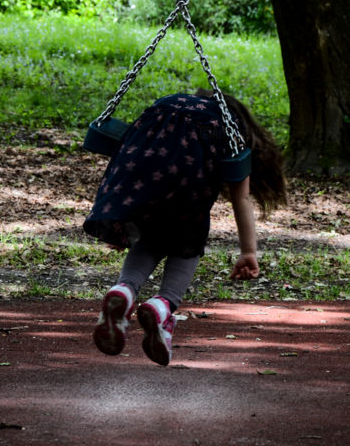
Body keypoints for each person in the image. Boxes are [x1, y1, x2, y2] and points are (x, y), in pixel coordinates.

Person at [83, 89, 286, 366]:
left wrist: (121, 220)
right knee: (187, 241)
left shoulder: (165, 107)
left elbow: (128, 161)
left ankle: (125, 290)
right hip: (189, 192)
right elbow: (241, 198)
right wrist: (248, 251)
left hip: (139, 184)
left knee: (149, 235)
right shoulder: (226, 125)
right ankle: (163, 306)